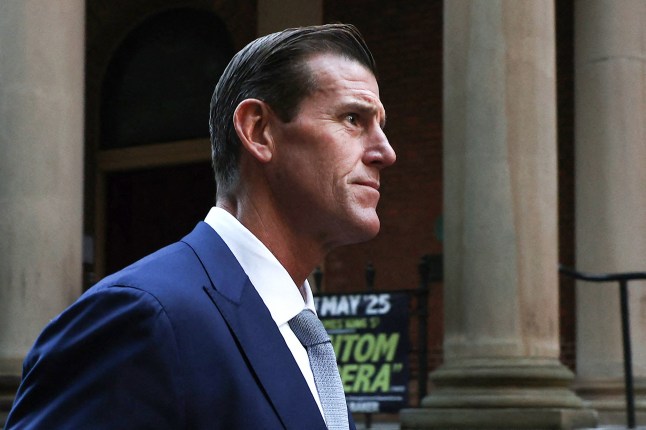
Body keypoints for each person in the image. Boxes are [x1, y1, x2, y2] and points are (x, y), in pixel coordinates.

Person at [5, 23, 396, 429]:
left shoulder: (304, 333)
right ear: (258, 130)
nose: (385, 152)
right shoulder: (144, 317)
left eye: (380, 126)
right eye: (353, 119)